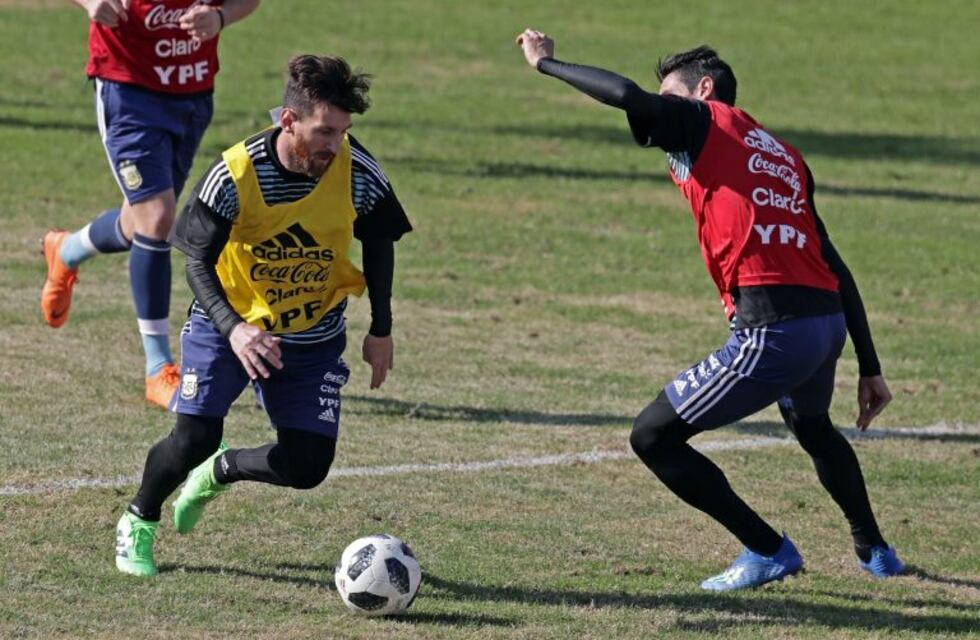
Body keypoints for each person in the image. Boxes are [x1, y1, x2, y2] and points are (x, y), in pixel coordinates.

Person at [516, 29, 904, 591]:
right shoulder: (784, 155)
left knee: (653, 436)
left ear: (702, 90)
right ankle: (876, 552)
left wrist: (545, 65)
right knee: (813, 424)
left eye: (669, 95)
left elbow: (625, 95)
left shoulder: (704, 120)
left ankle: (767, 550)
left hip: (775, 328)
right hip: (826, 322)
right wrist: (870, 364)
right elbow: (835, 263)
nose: (661, 108)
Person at [114, 54, 412, 577]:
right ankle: (139, 518)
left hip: (312, 334)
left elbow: (381, 240)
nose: (335, 144)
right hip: (227, 321)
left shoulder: (357, 172)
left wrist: (381, 328)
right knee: (193, 438)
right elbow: (196, 262)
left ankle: (221, 471)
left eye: (343, 131)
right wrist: (235, 330)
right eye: (325, 131)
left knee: (307, 466)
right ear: (288, 120)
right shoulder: (235, 173)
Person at [42, 0, 260, 408]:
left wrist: (219, 18)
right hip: (128, 89)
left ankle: (65, 249)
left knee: (140, 222)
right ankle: (157, 367)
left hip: (193, 92)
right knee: (158, 218)